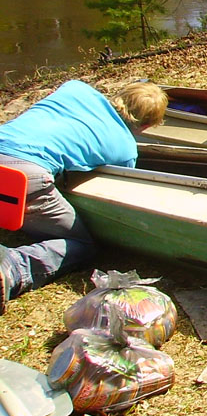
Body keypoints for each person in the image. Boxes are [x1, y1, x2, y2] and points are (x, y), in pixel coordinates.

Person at [0, 81, 168, 313]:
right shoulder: (126, 150)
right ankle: (13, 267)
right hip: (23, 176)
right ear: (146, 125)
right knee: (81, 245)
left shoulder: (75, 88)